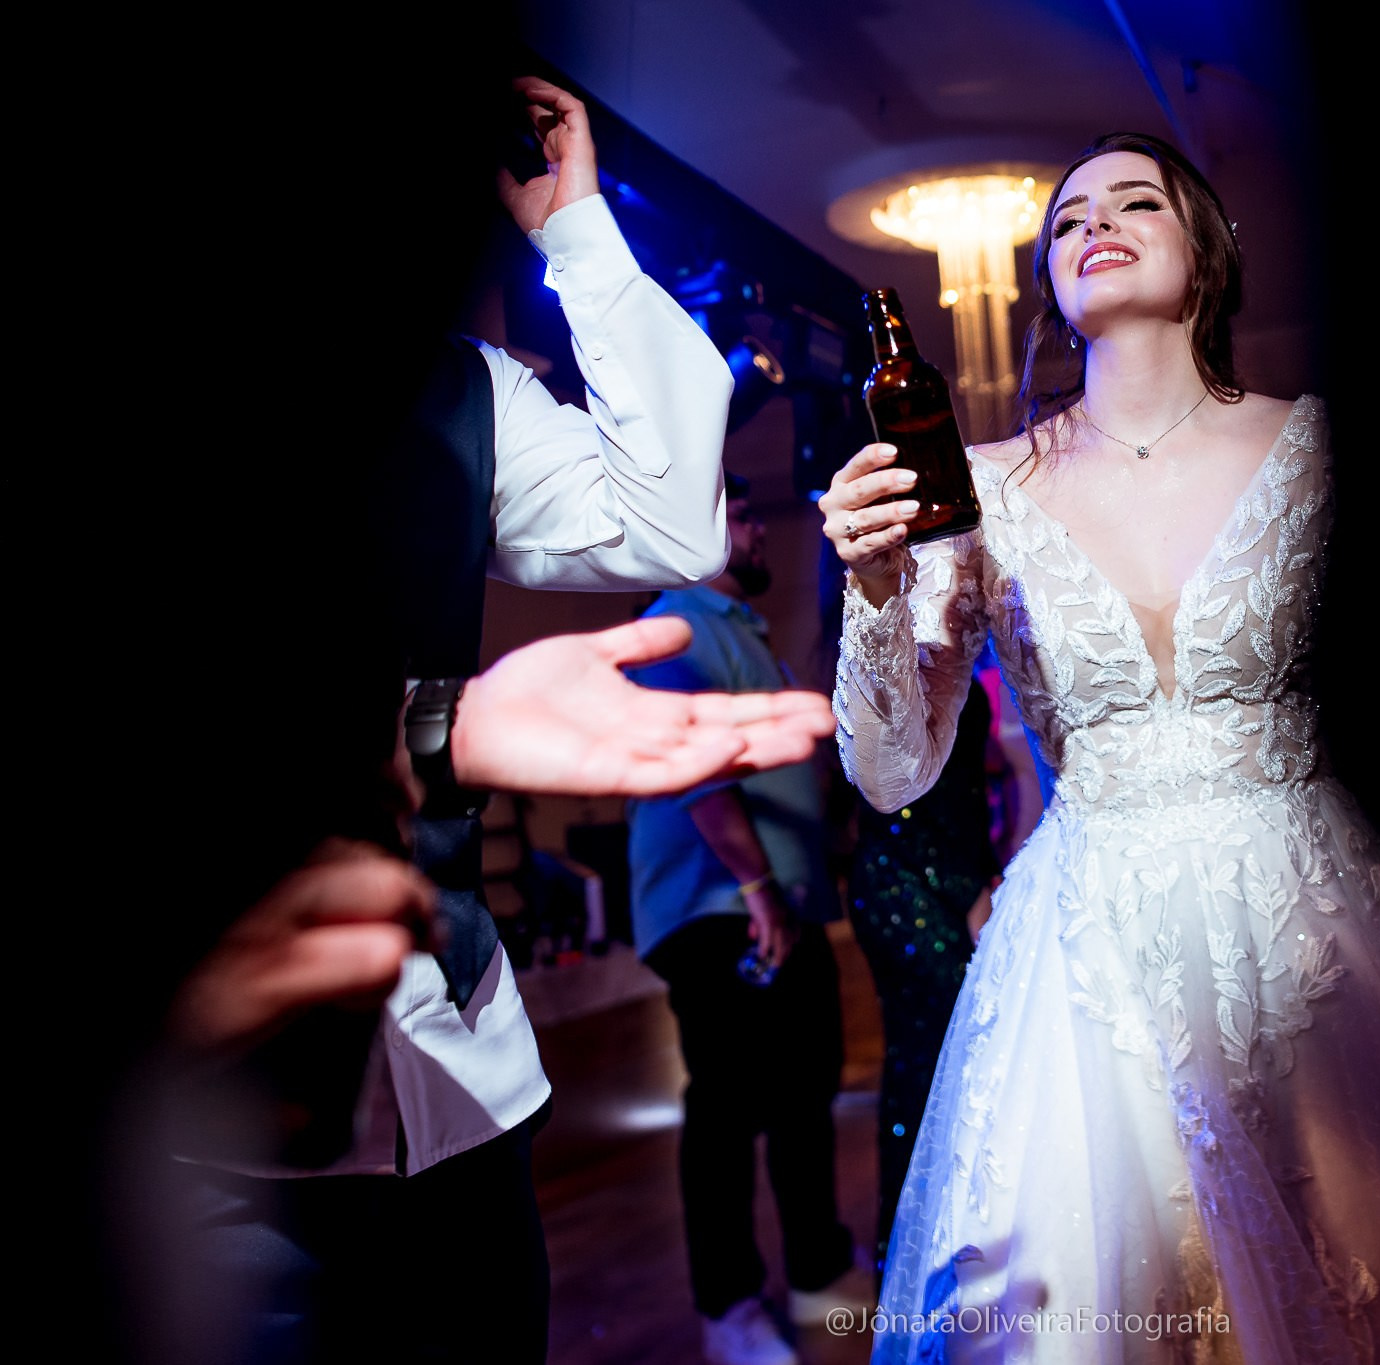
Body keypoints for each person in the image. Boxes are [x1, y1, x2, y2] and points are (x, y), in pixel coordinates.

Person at [820, 132, 1380, 1363]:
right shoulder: (979, 485)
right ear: (1047, 279)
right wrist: (878, 588)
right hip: (1088, 957)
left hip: (1317, 929)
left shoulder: (1319, 449)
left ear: (1203, 252)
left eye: (1134, 200)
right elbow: (894, 768)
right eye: (1064, 219)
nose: (1093, 222)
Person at [164, 68, 834, 1365]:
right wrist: (445, 731)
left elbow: (675, 524)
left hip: (466, 1084)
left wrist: (576, 235)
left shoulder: (466, 387)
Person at [624, 471, 872, 1365]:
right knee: (728, 1109)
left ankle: (815, 1271)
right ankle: (726, 1305)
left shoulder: (743, 632)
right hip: (720, 909)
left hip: (776, 907)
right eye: (740, 516)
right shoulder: (677, 623)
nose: (760, 531)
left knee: (806, 1095)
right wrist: (760, 887)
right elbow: (693, 768)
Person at [841, 653, 1013, 1278]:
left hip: (947, 875)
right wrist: (971, 889)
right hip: (908, 884)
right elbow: (901, 796)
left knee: (942, 1062)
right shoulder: (887, 648)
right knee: (931, 1066)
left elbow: (966, 790)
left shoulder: (950, 636)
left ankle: (931, 1245)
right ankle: (913, 1254)